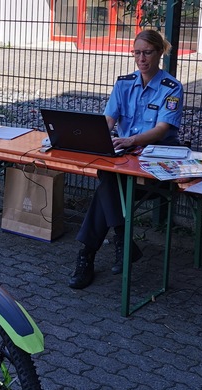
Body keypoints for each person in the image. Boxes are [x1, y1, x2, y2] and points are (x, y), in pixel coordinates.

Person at [69, 29, 184, 290]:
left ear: (159, 53)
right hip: (124, 162)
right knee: (108, 174)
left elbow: (162, 129)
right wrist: (96, 137)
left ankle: (88, 256)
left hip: (154, 169)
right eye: (137, 53)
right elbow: (108, 121)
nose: (141, 58)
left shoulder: (172, 88)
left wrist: (131, 141)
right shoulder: (123, 84)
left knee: (106, 181)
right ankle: (122, 241)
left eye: (147, 53)